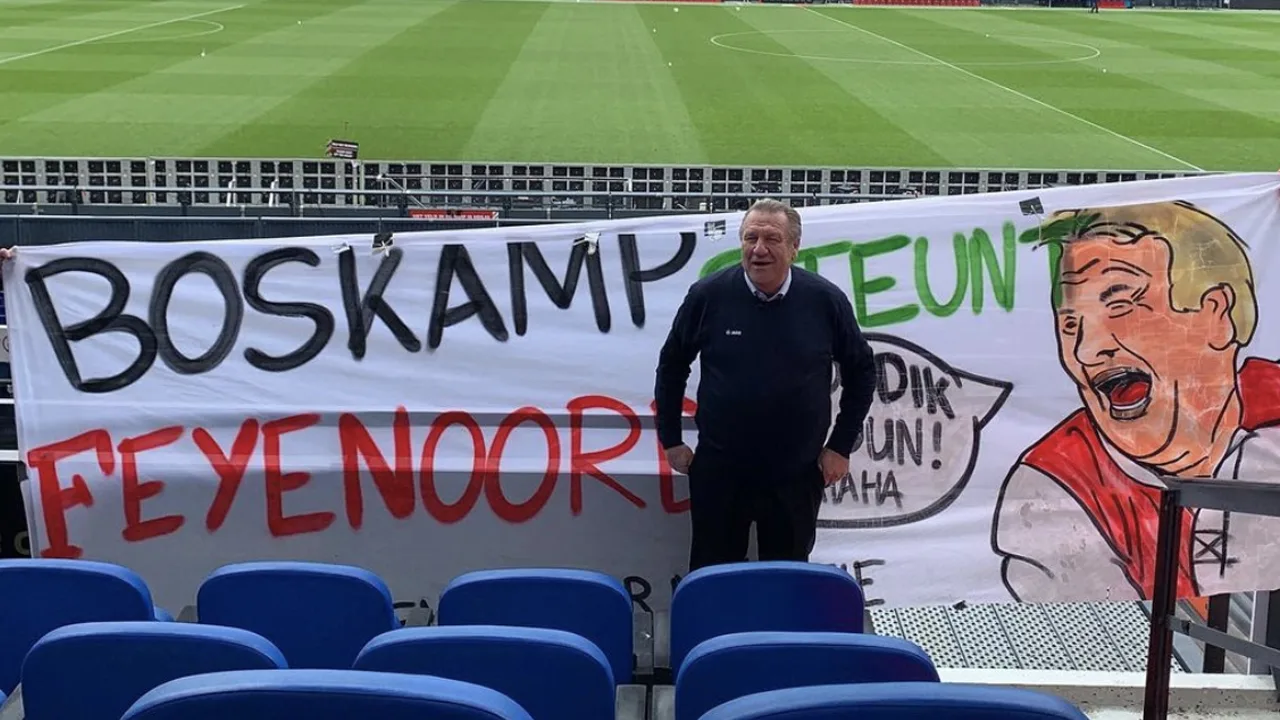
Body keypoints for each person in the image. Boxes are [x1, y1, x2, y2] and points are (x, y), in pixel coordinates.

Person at [992, 200, 1280, 603]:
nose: (1089, 351)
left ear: (1216, 314)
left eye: (1121, 306)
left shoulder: (1272, 408)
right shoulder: (1056, 487)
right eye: (1071, 324)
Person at [654, 198, 877, 572]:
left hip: (796, 472)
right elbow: (672, 364)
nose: (759, 249)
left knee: (786, 575)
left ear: (794, 248)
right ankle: (717, 632)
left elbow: (863, 371)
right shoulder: (708, 296)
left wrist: (840, 446)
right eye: (750, 238)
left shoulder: (825, 301)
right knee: (714, 573)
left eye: (772, 239)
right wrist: (671, 439)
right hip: (721, 469)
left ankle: (778, 633)